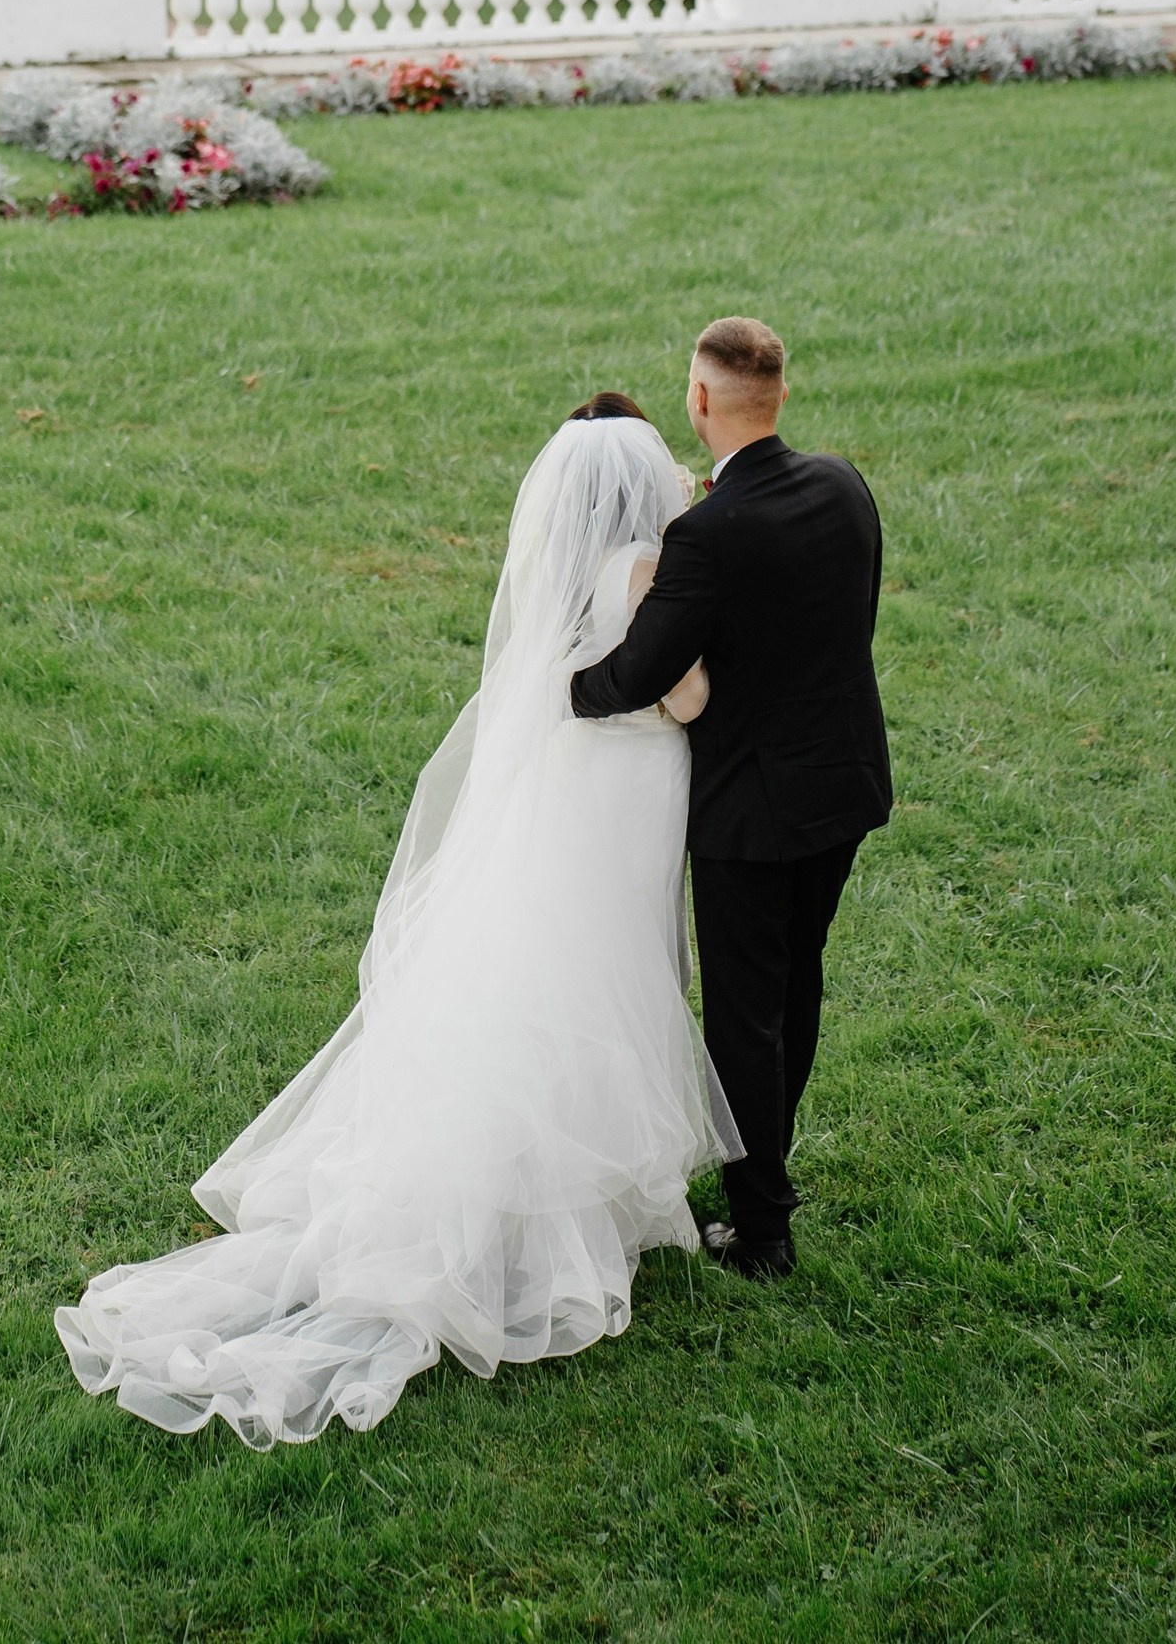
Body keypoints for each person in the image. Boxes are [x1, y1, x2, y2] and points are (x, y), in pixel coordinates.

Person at [56, 395, 735, 1448]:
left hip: (571, 792)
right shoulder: (647, 570)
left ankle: (557, 1198)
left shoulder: (558, 570)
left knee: (562, 975)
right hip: (630, 793)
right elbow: (684, 700)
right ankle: (572, 1216)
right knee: (613, 975)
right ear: (641, 487)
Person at [571, 318, 891, 1279]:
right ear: (779, 395)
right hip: (842, 784)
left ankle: (760, 1229)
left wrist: (554, 690)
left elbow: (636, 674)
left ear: (698, 400)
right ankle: (769, 1175)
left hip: (751, 812)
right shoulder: (843, 486)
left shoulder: (703, 535)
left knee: (743, 1015)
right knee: (796, 983)